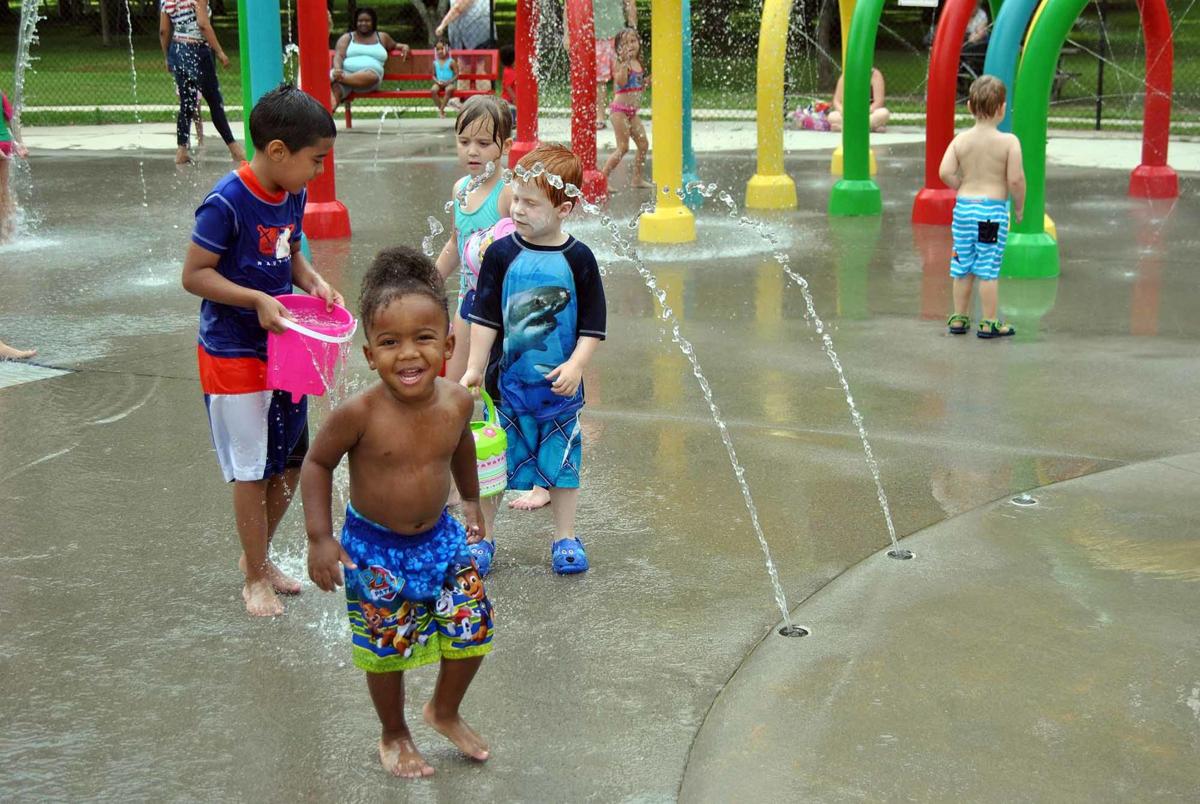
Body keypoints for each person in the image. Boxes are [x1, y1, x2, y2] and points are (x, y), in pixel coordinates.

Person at [302, 247, 493, 779]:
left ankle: (444, 710)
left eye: (423, 339)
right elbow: (317, 464)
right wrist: (320, 538)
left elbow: (461, 446)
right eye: (389, 343)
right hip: (374, 548)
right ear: (368, 353)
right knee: (388, 649)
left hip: (441, 539)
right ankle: (394, 731)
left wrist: (471, 498)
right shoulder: (358, 414)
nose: (407, 355)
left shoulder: (457, 402)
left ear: (448, 344)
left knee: (473, 629)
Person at [180, 85, 343, 617]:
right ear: (278, 152)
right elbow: (194, 275)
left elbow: (290, 250)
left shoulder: (290, 193)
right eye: (315, 160)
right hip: (233, 353)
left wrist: (313, 281)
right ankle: (254, 577)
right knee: (251, 468)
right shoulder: (226, 203)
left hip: (285, 348)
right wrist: (254, 300)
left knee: (293, 458)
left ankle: (260, 556)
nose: (319, 171)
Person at [462, 144, 607, 576]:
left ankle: (564, 536)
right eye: (516, 198)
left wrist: (578, 364)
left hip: (560, 390)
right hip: (506, 386)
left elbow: (593, 324)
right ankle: (484, 538)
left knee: (563, 465)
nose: (518, 209)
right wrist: (473, 366)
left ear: (564, 208)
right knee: (493, 466)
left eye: (530, 202)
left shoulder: (578, 259)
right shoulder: (502, 254)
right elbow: (484, 315)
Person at [938, 75, 1024, 339]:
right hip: (991, 214)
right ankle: (988, 322)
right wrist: (1019, 207)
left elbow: (944, 172)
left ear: (969, 108)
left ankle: (959, 318)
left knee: (963, 265)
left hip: (964, 210)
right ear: (1001, 108)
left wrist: (962, 183)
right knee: (987, 269)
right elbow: (1015, 179)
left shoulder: (960, 140)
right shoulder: (1009, 142)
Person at [435, 95, 512, 388]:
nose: (472, 151)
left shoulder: (507, 193)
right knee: (454, 386)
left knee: (498, 384)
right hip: (467, 302)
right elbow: (455, 243)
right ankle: (458, 433)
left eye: (483, 143)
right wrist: (430, 279)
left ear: (504, 146)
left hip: (502, 308)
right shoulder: (460, 189)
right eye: (464, 141)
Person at [158, 0, 245, 165]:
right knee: (214, 101)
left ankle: (181, 150)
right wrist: (219, 52)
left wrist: (168, 56)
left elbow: (163, 31)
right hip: (197, 51)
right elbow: (203, 24)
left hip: (177, 50)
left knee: (187, 103)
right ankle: (235, 149)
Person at [563, 0, 638, 129]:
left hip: (618, 35)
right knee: (599, 80)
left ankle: (619, 114)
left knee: (620, 77)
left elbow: (630, 3)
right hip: (594, 35)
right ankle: (600, 115)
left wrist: (633, 28)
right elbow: (568, 6)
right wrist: (567, 34)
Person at [600, 28, 652, 190]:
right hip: (619, 111)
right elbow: (621, 82)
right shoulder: (621, 63)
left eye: (633, 41)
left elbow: (637, 86)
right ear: (618, 48)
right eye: (624, 43)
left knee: (643, 144)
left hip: (631, 113)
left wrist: (646, 82)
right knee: (623, 147)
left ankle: (637, 179)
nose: (630, 45)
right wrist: (623, 64)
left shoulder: (638, 63)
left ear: (638, 43)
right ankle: (602, 179)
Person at [331, 7, 410, 112]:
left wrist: (405, 47)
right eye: (360, 21)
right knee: (335, 92)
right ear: (356, 22)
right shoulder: (347, 37)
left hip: (368, 81)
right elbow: (339, 56)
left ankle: (338, 78)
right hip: (345, 76)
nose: (363, 23)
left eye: (367, 21)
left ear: (373, 22)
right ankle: (322, 125)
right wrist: (337, 69)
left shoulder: (382, 37)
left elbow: (396, 45)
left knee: (371, 75)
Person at [436, 0, 495, 92]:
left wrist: (442, 25)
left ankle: (479, 99)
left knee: (475, 69)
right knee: (468, 68)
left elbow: (458, 8)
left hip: (472, 32)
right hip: (481, 30)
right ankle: (468, 99)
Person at [0, 88, 29, 243]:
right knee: (3, 190)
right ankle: (7, 235)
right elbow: (12, 119)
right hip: (5, 142)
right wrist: (19, 144)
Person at [828, 67, 890, 133]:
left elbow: (879, 102)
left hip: (868, 113)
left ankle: (846, 127)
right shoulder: (846, 74)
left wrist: (863, 112)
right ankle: (869, 127)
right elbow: (837, 101)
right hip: (850, 114)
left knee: (883, 113)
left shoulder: (874, 75)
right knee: (832, 116)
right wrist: (844, 112)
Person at [431, 38, 457, 118]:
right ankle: (441, 109)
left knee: (449, 89)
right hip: (439, 83)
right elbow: (433, 75)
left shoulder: (451, 62)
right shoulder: (435, 63)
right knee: (433, 90)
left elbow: (456, 75)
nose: (440, 51)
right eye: (437, 49)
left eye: (442, 48)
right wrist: (437, 81)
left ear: (447, 49)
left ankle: (441, 111)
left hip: (449, 83)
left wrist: (449, 82)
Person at [499, 43, 517, 122]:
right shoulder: (509, 72)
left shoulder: (511, 70)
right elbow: (508, 86)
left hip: (510, 99)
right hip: (508, 99)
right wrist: (514, 98)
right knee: (510, 114)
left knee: (513, 114)